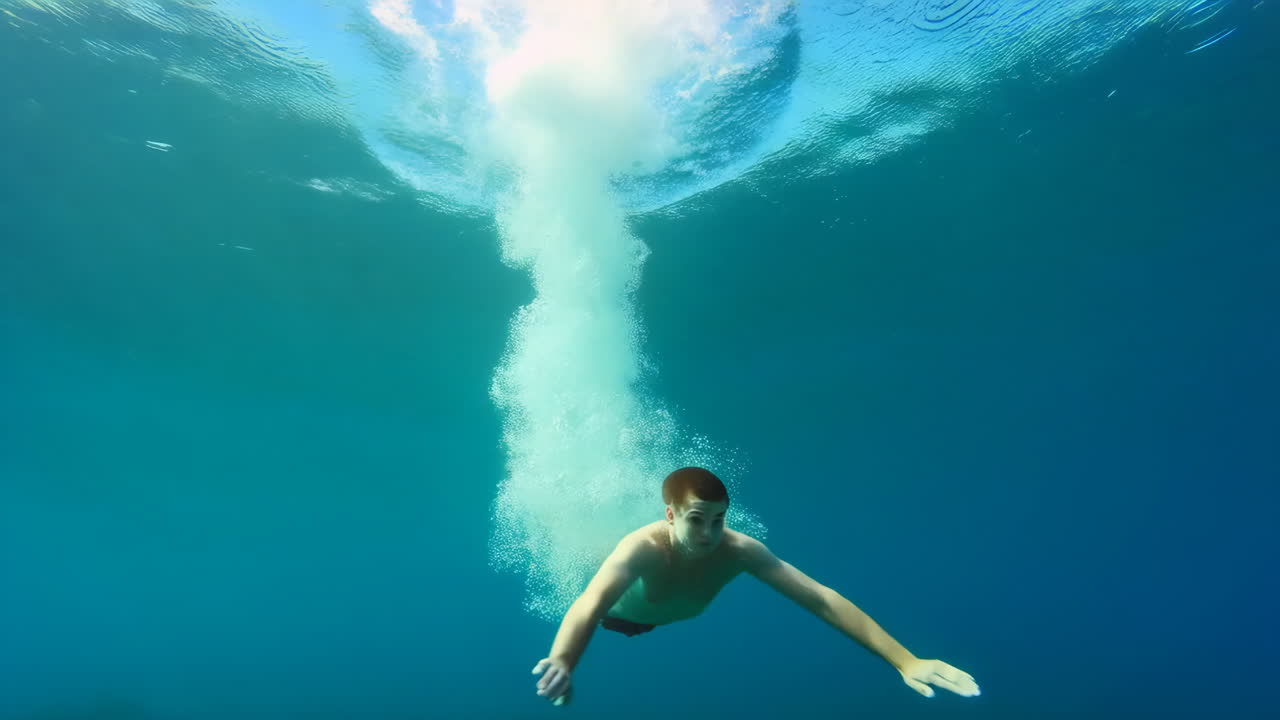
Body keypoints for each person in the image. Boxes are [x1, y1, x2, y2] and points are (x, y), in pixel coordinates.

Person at [531, 466, 980, 707]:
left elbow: (821, 598)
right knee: (597, 567)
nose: (709, 534)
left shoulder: (741, 550)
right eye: (695, 520)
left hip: (661, 612)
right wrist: (566, 661)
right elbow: (589, 604)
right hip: (621, 617)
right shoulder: (643, 548)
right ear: (670, 516)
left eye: (718, 520)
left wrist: (905, 660)